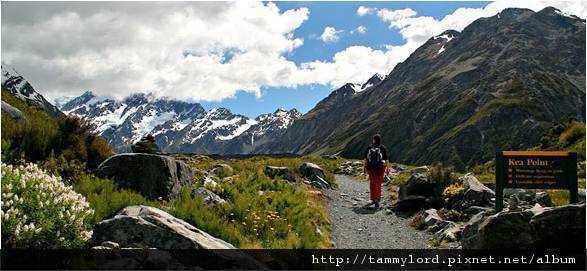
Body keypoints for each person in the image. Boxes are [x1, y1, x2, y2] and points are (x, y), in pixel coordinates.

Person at [363, 134, 389, 209]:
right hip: (380, 169)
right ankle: (377, 199)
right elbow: (386, 159)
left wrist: (364, 168)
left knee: (372, 183)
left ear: (374, 140)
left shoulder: (369, 148)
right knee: (378, 183)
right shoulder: (382, 148)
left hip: (370, 168)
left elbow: (365, 159)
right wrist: (387, 168)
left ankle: (373, 199)